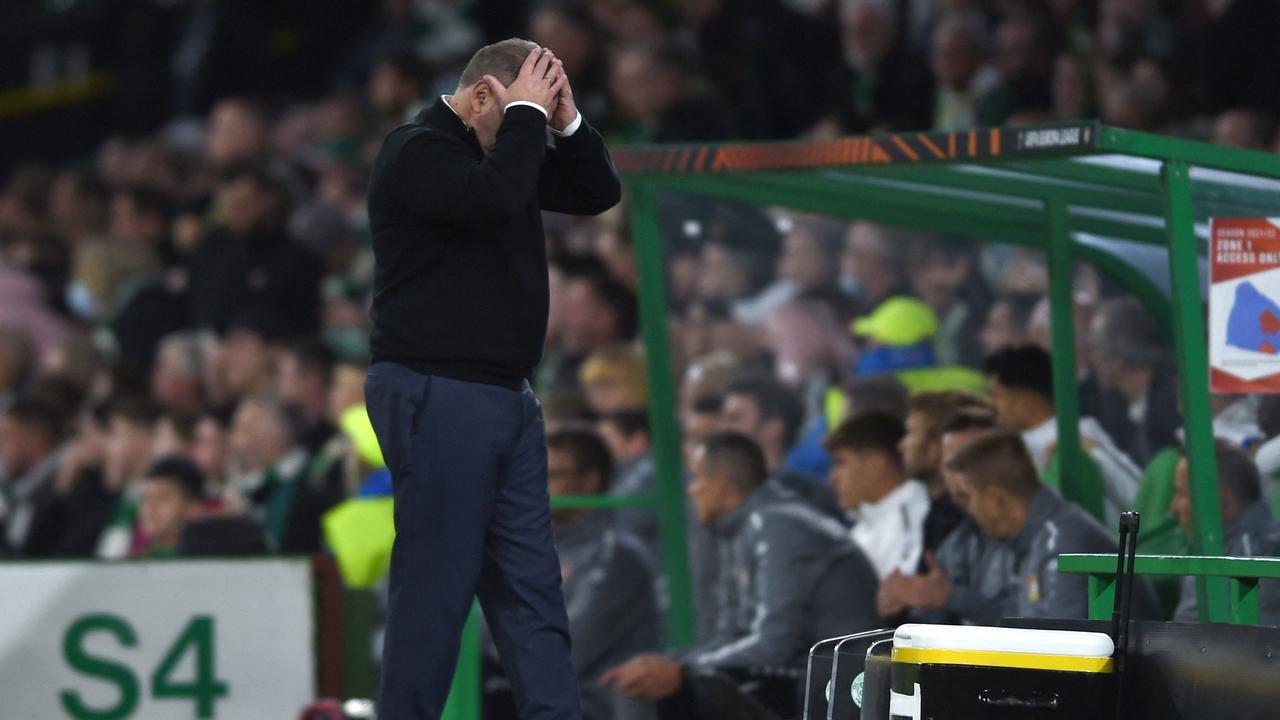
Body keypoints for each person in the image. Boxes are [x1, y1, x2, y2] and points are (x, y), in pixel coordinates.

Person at [364, 39, 620, 720]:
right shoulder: (415, 150)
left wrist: (562, 120)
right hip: (435, 391)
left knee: (534, 591)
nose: (529, 127)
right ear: (482, 97)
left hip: (506, 398)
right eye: (519, 110)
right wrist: (526, 123)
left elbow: (599, 192)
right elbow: (494, 197)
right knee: (436, 594)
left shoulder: (505, 148)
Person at [601, 431, 878, 718]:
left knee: (670, 686)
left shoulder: (777, 525)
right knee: (643, 681)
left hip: (837, 683)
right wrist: (673, 665)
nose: (691, 490)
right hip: (796, 672)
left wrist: (682, 671)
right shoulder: (743, 529)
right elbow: (732, 633)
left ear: (721, 486)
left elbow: (773, 645)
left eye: (697, 479)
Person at [945, 429, 1157, 620]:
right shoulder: (1034, 538)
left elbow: (1060, 644)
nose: (969, 510)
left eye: (968, 497)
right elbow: (1016, 620)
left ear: (996, 499)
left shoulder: (1062, 541)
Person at [544, 428, 662, 720]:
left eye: (552, 474)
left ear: (590, 481)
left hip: (599, 707)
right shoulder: (543, 548)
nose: (537, 484)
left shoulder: (618, 556)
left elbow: (564, 651)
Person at [878, 410, 1015, 625]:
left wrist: (949, 598)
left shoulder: (1028, 535)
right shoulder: (957, 539)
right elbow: (933, 614)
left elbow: (1034, 624)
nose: (959, 477)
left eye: (968, 462)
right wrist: (905, 608)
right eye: (950, 465)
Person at [985, 344, 1141, 526]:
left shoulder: (1079, 435)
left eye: (996, 396)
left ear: (1024, 402)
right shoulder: (1020, 444)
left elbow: (1136, 495)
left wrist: (1097, 452)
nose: (991, 406)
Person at [1170, 442, 1280, 625]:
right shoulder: (1214, 548)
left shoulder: (1259, 553)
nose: (1173, 508)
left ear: (1215, 496)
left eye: (1181, 494)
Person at [824, 411, 930, 579]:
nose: (832, 478)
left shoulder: (912, 517)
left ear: (876, 465)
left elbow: (900, 597)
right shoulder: (863, 526)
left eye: (841, 463)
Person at [135, 457, 206, 557]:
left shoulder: (202, 560)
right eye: (145, 498)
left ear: (193, 507)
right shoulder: (143, 558)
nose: (150, 508)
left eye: (163, 498)